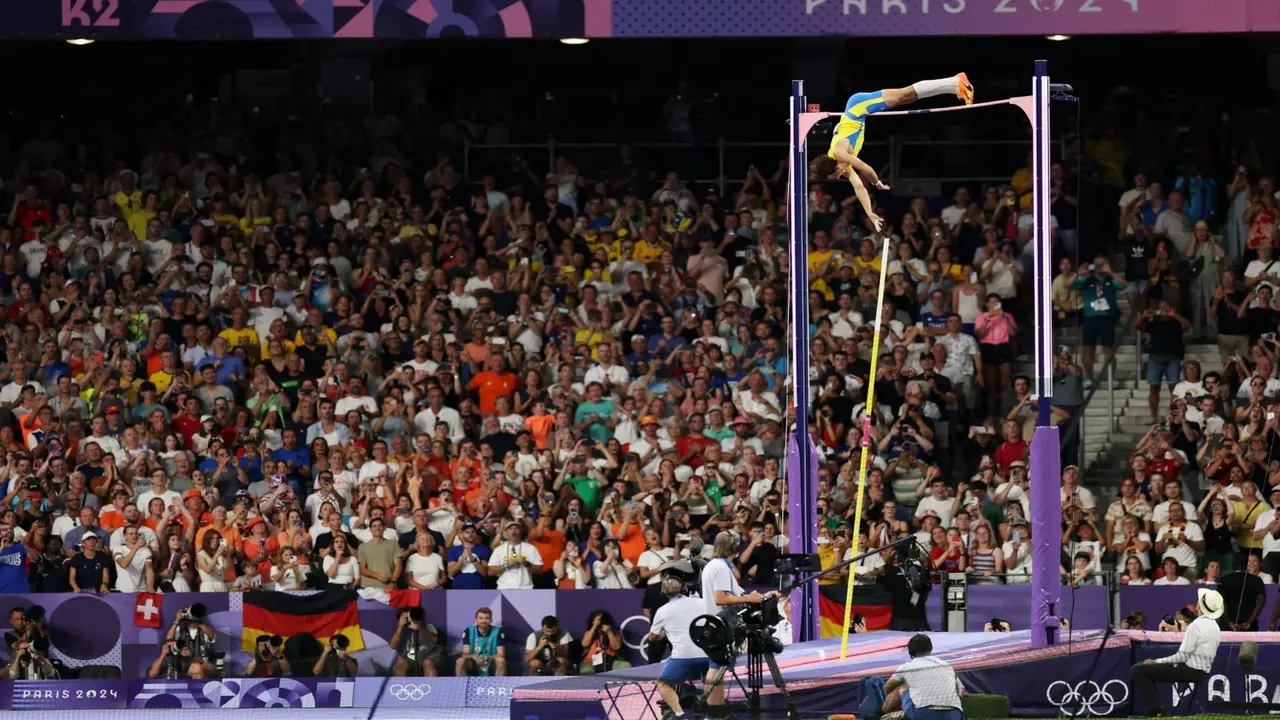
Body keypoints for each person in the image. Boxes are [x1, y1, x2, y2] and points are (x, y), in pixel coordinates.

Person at [809, 74, 974, 230]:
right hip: (860, 113)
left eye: (835, 174)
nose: (839, 176)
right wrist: (870, 213)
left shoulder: (839, 152)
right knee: (908, 98)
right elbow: (859, 188)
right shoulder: (842, 166)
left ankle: (956, 80)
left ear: (833, 165)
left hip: (858, 106)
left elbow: (865, 168)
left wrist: (877, 183)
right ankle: (954, 87)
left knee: (905, 94)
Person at [1130, 588, 1224, 717]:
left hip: (1189, 669)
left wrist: (1155, 661)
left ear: (1199, 606)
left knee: (1138, 670)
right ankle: (1157, 710)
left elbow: (1181, 657)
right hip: (1201, 672)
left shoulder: (1196, 626)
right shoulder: (1215, 627)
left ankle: (1157, 711)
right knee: (1143, 669)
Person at [647, 562, 711, 720]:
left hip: (682, 658)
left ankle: (679, 714)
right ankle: (712, 712)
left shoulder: (663, 611)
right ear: (683, 587)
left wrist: (664, 633)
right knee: (709, 680)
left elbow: (652, 638)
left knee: (663, 683)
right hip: (706, 655)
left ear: (663, 592)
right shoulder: (701, 602)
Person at [881, 634, 964, 720]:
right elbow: (961, 691)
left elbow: (887, 687)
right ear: (930, 648)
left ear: (911, 652)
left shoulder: (907, 667)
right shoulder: (946, 665)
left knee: (900, 687)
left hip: (923, 713)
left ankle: (882, 714)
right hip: (954, 714)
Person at [457, 606, 506, 677]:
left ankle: (497, 683)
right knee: (460, 661)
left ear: (491, 620)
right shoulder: (468, 631)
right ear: (476, 620)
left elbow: (501, 654)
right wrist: (475, 657)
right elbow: (465, 654)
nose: (483, 621)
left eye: (487, 618)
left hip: (491, 661)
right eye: (481, 618)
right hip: (474, 662)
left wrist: (486, 658)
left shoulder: (498, 631)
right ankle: (462, 684)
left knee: (501, 661)